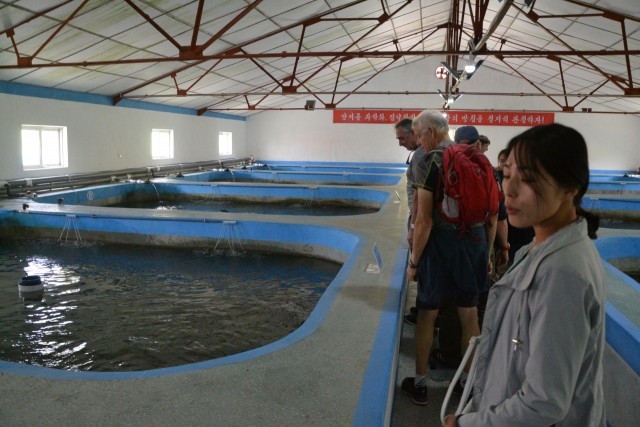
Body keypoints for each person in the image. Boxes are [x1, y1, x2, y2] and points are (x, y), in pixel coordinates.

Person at [444, 123, 605, 426]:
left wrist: (467, 424)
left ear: (570, 187)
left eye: (528, 179)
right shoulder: (536, 249)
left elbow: (544, 402)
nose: (510, 190)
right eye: (507, 175)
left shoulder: (562, 273)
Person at [401, 112, 497, 405]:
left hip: (441, 245)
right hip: (474, 242)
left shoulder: (429, 162)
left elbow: (424, 221)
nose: (418, 141)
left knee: (428, 314)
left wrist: (414, 261)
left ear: (431, 132)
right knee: (469, 314)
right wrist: (488, 252)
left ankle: (420, 384)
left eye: (419, 135)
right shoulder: (474, 157)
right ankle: (466, 384)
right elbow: (492, 215)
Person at [394, 118, 425, 325]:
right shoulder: (421, 153)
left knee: (421, 268)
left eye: (402, 138)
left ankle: (424, 312)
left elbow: (420, 197)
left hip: (420, 221)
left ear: (414, 133)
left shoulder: (422, 155)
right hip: (420, 220)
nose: (400, 143)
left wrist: (413, 226)